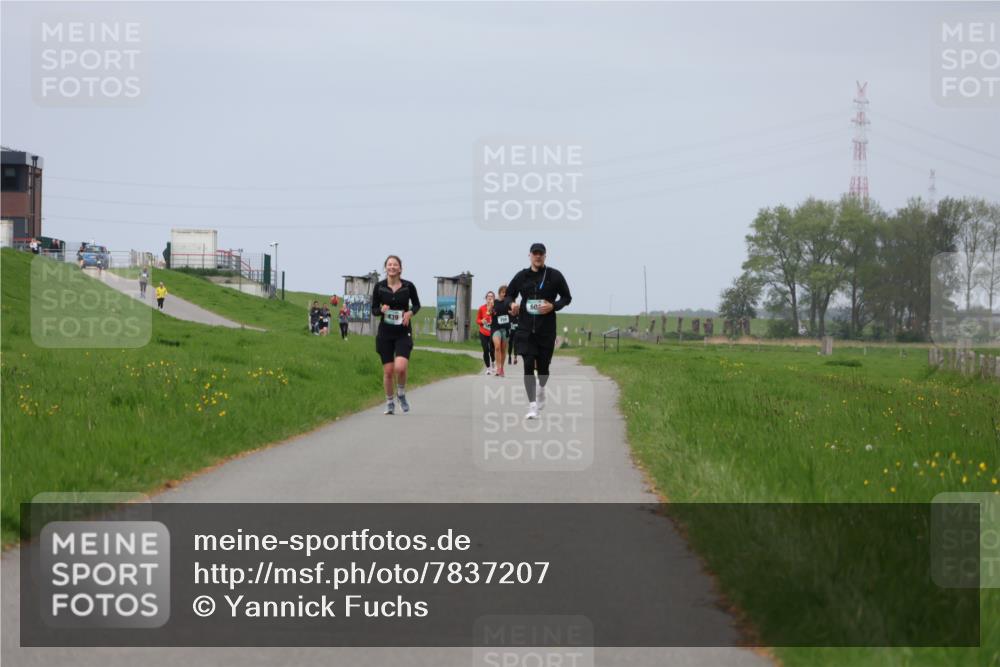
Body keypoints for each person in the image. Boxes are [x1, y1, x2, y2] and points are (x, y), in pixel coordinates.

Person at [503, 242, 572, 419]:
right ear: (530, 256)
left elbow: (567, 297)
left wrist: (553, 306)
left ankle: (541, 389)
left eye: (541, 253)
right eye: (535, 253)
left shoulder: (554, 276)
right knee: (527, 365)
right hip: (526, 329)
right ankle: (532, 406)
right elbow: (509, 294)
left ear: (545, 256)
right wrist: (511, 303)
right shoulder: (522, 276)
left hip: (546, 330)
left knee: (543, 369)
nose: (538, 256)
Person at [371, 255, 420, 415]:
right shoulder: (379, 287)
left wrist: (410, 313)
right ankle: (390, 402)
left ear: (400, 268)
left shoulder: (408, 286)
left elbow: (417, 304)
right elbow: (374, 309)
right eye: (389, 264)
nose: (392, 267)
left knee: (400, 367)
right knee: (388, 371)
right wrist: (381, 310)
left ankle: (401, 393)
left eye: (395, 265)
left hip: (402, 331)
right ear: (385, 268)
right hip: (385, 333)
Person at [491, 284, 512, 377]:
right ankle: (498, 368)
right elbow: (489, 311)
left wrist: (513, 312)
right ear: (499, 293)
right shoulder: (494, 302)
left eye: (506, 293)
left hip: (505, 328)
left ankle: (502, 368)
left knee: (503, 349)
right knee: (497, 347)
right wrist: (491, 310)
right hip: (495, 327)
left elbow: (513, 314)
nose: (504, 294)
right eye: (503, 292)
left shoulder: (509, 303)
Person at [476, 291, 496, 375]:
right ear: (486, 298)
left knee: (492, 350)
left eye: (491, 296)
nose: (490, 298)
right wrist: (481, 321)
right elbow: (477, 320)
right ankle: (488, 368)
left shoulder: (495, 308)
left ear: (494, 298)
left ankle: (493, 362)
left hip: (492, 332)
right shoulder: (481, 308)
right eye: (488, 296)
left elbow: (497, 318)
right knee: (485, 350)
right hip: (483, 332)